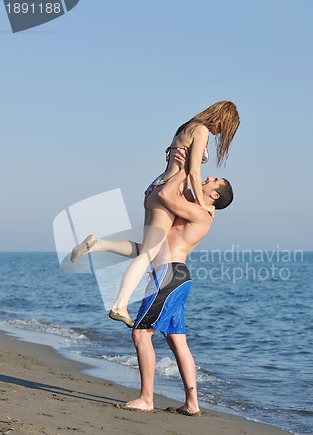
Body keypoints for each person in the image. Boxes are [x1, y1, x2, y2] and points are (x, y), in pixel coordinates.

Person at [72, 161, 234, 416]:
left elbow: (165, 194)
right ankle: (192, 404)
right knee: (177, 342)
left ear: (214, 196)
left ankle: (146, 399)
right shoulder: (197, 208)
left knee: (141, 334)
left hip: (168, 277)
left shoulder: (202, 214)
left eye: (214, 181)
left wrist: (184, 167)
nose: (209, 177)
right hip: (176, 277)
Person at [71, 101, 239, 328]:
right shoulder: (201, 130)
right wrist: (202, 205)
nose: (220, 134)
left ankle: (97, 244)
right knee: (148, 254)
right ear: (222, 119)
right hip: (167, 192)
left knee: (145, 248)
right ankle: (119, 305)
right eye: (225, 129)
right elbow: (193, 171)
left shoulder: (187, 127)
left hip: (157, 186)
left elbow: (185, 169)